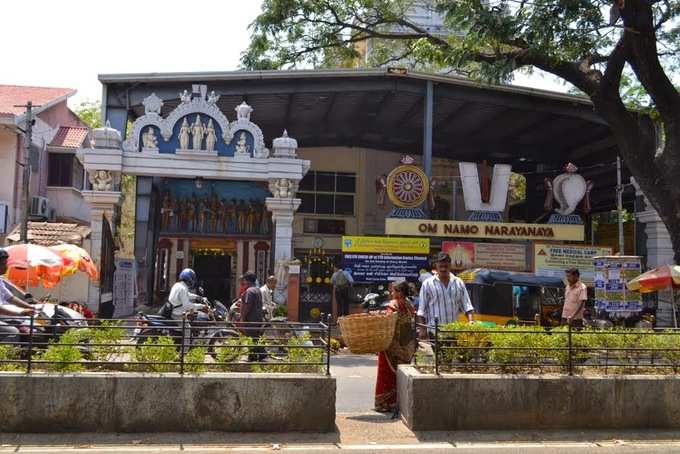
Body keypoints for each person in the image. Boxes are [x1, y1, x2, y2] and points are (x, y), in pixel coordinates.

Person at [375, 281, 417, 412]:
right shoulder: (410, 305)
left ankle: (383, 403)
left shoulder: (393, 306)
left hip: (391, 345)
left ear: (399, 292)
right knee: (399, 374)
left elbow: (387, 321)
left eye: (394, 291)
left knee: (386, 373)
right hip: (406, 346)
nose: (392, 293)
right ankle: (396, 402)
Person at [417, 252, 474, 338]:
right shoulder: (427, 284)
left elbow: (467, 306)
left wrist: (471, 322)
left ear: (450, 266)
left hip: (454, 333)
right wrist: (422, 329)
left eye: (446, 266)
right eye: (441, 266)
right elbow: (421, 310)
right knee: (438, 352)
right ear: (436, 266)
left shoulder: (458, 282)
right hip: (435, 332)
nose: (443, 269)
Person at [0, 249, 36, 341]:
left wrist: (31, 307)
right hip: (3, 315)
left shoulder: (0, 280)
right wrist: (20, 312)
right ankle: (7, 355)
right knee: (12, 332)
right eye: (3, 264)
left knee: (32, 327)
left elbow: (10, 298)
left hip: (4, 316)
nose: (6, 267)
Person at [239, 272, 266, 362]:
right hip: (258, 317)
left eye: (244, 279)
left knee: (251, 337)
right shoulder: (257, 290)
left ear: (246, 280)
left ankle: (255, 356)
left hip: (251, 319)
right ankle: (258, 355)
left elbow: (247, 305)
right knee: (255, 337)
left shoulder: (249, 291)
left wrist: (242, 317)